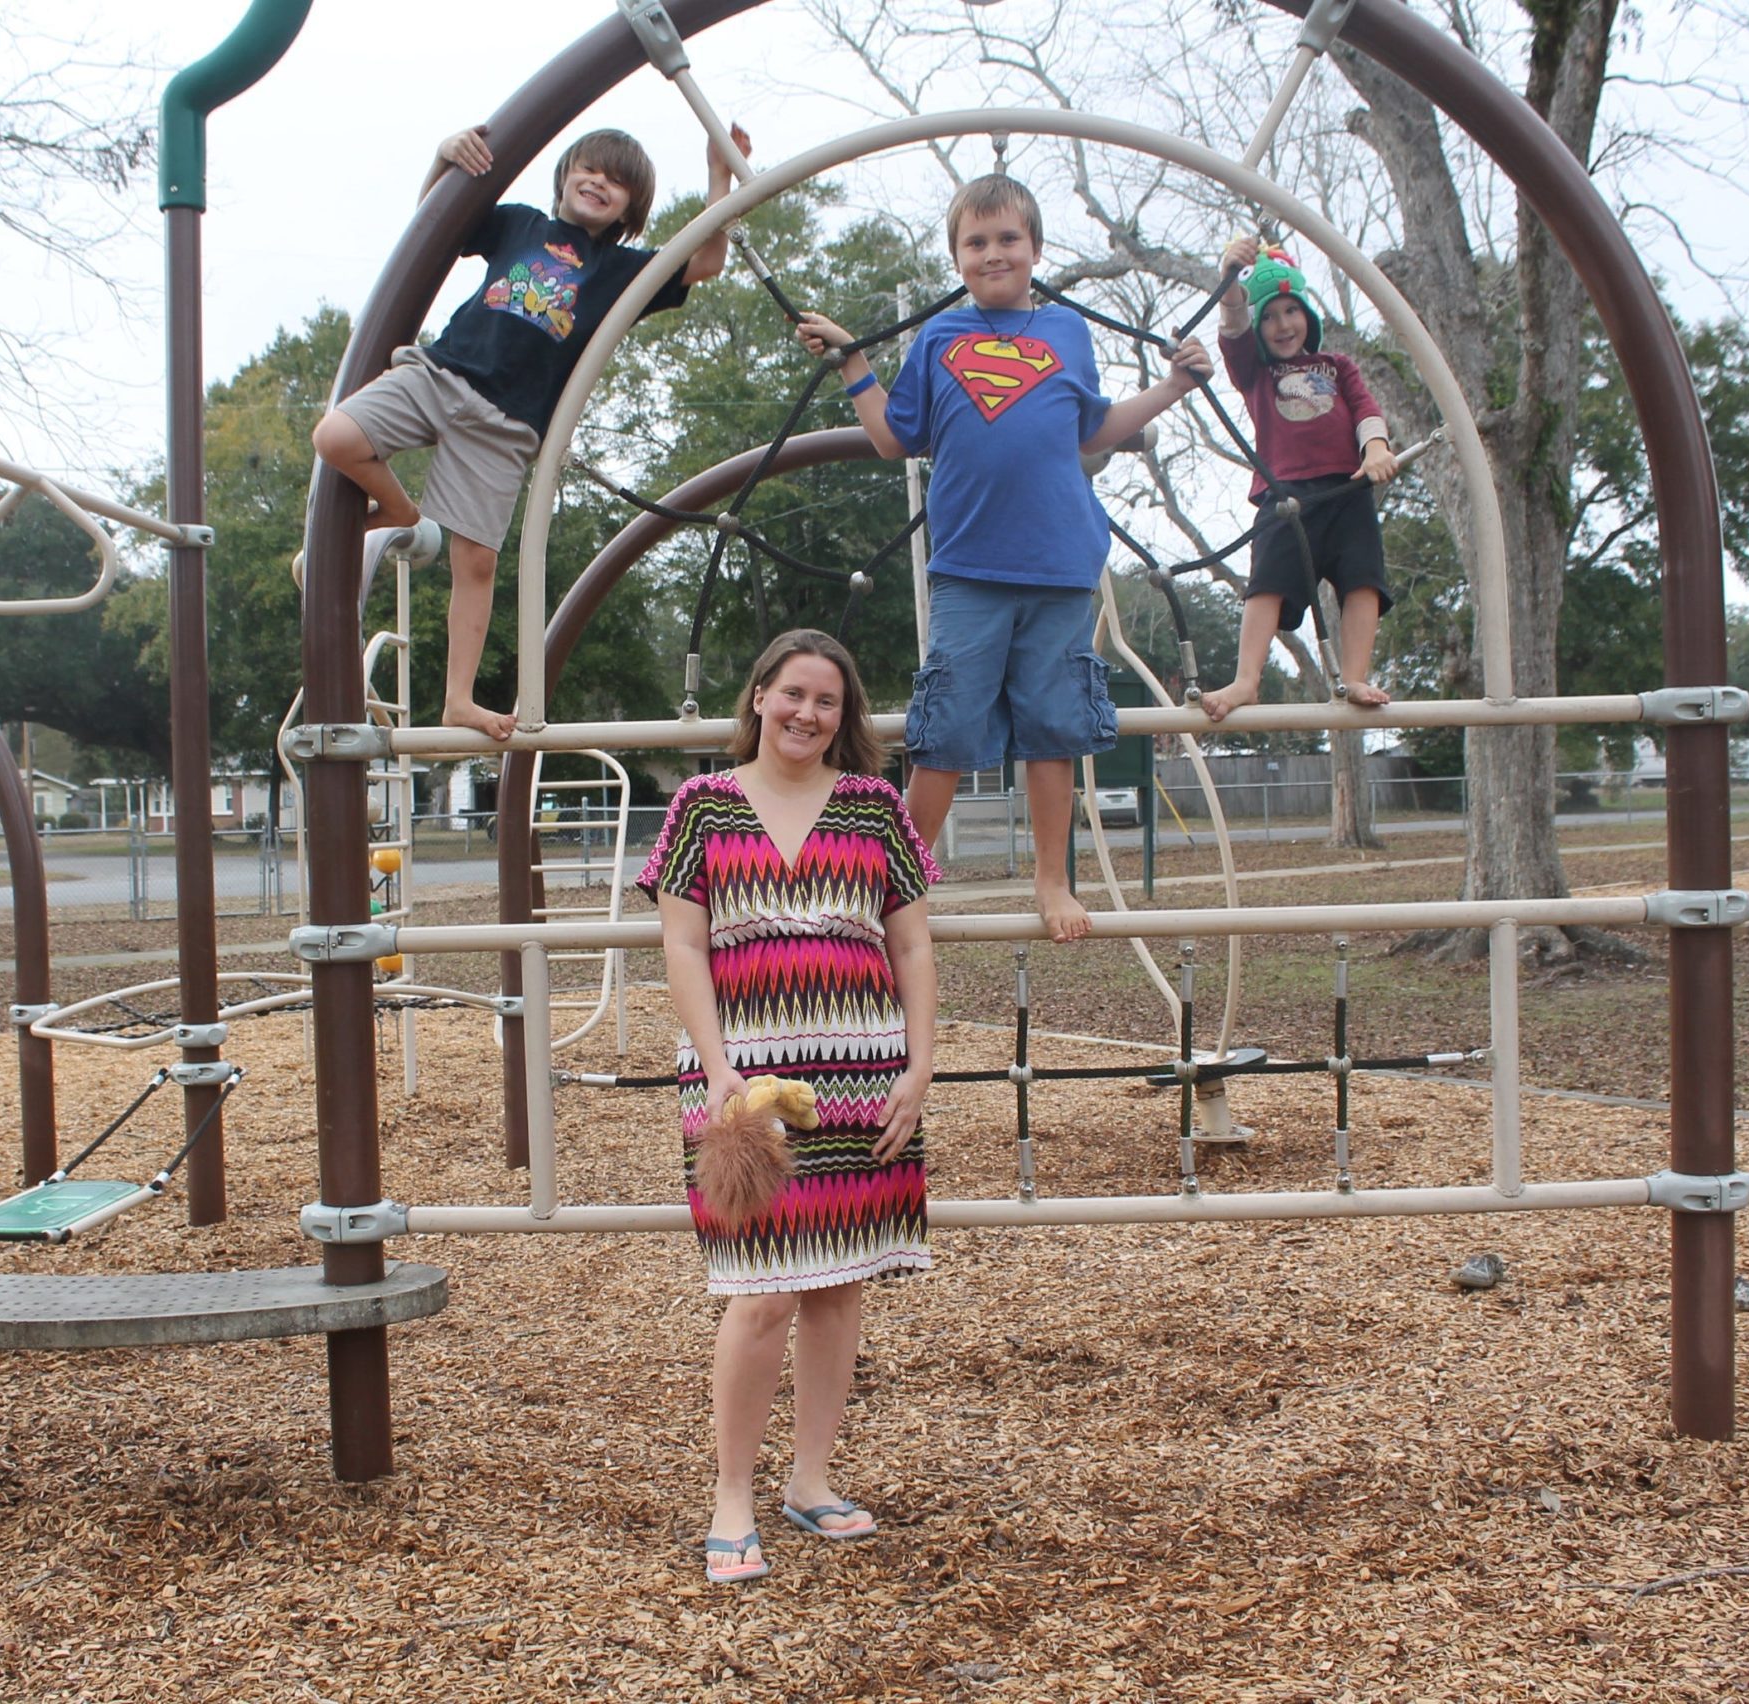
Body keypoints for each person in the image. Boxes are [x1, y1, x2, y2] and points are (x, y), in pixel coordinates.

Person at [792, 174, 1209, 941]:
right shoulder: (940, 338)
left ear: (1035, 248)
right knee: (946, 727)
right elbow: (893, 437)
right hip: (968, 569)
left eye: (1008, 238)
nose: (993, 253)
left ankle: (1053, 880)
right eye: (976, 241)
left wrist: (1175, 386)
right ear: (957, 257)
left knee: (1052, 728)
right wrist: (853, 362)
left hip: (1059, 565)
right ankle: (900, 883)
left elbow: (1094, 429)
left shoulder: (1066, 332)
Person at [637, 629, 939, 1585]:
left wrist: (920, 1067)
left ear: (844, 717)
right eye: (793, 693)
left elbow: (912, 945)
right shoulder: (702, 805)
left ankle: (810, 1480)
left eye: (828, 700)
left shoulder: (876, 807)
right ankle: (733, 1493)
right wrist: (716, 1070)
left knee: (838, 1285)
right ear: (760, 695)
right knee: (760, 1288)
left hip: (862, 1075)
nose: (807, 713)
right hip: (743, 1081)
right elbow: (683, 946)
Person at [312, 121, 750, 739]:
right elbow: (432, 227)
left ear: (630, 208)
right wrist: (442, 157)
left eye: (616, 182)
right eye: (589, 169)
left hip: (507, 424)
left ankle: (458, 699)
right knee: (335, 437)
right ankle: (401, 509)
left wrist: (718, 173)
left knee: (477, 562)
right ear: (565, 174)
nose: (598, 183)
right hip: (443, 373)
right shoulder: (519, 225)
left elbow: (706, 260)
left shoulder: (622, 271)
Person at [1205, 236, 1399, 716]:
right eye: (1269, 316)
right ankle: (1246, 680)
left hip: (1348, 488)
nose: (1283, 324)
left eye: (1291, 311)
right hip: (1285, 493)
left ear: (1308, 315)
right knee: (1266, 582)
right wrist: (1229, 281)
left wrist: (1376, 448)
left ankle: (1353, 677)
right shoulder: (1256, 372)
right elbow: (1233, 331)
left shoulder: (1337, 366)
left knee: (1363, 581)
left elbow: (1366, 411)